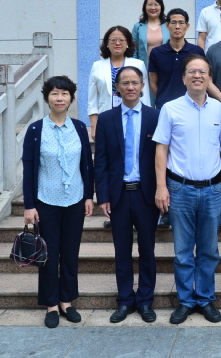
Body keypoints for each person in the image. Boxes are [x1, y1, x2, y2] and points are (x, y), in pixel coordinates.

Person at [153, 54, 221, 325]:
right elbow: (161, 149)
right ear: (183, 78)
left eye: (202, 71)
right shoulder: (170, 109)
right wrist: (161, 187)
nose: (197, 75)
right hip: (180, 189)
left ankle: (205, 298)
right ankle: (185, 300)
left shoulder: (218, 109)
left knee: (209, 250)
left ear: (209, 78)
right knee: (183, 251)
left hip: (212, 190)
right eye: (192, 71)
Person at [22, 76, 94, 328]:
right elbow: (29, 170)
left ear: (71, 98)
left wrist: (89, 196)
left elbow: (87, 164)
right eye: (54, 94)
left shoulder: (80, 128)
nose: (59, 98)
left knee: (71, 253)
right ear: (47, 98)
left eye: (64, 94)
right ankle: (51, 304)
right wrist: (29, 205)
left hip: (75, 199)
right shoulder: (35, 130)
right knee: (49, 255)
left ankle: (67, 301)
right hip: (46, 201)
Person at [94, 66, 161, 323]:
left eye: (135, 82)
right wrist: (103, 196)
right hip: (118, 195)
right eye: (125, 83)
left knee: (147, 250)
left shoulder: (155, 116)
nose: (130, 87)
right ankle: (124, 300)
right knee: (121, 251)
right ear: (117, 88)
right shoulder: (106, 119)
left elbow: (163, 157)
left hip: (146, 194)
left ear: (142, 86)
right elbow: (101, 161)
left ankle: (145, 301)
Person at [88, 25, 149, 141]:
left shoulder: (138, 64)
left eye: (121, 40)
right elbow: (92, 100)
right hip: (106, 116)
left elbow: (144, 96)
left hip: (133, 115)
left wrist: (146, 119)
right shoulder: (97, 66)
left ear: (128, 43)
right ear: (107, 43)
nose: (117, 43)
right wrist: (94, 125)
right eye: (113, 40)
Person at [148, 8, 205, 111]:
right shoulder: (157, 52)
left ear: (187, 26)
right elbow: (153, 83)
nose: (177, 26)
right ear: (167, 25)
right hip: (165, 107)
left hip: (192, 107)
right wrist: (162, 101)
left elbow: (204, 79)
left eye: (181, 23)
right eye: (173, 23)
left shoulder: (197, 51)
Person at [131, 0, 170, 105]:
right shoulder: (138, 26)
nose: (153, 7)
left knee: (164, 99)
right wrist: (135, 69)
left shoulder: (168, 25)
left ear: (161, 7)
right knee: (146, 101)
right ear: (145, 7)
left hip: (164, 68)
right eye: (150, 4)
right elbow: (134, 50)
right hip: (144, 69)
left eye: (156, 4)